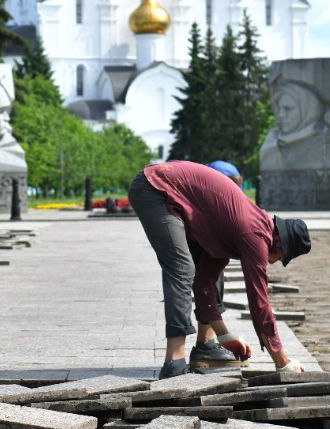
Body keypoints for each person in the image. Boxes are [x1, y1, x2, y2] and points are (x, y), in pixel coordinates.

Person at [129, 159, 312, 378]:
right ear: (279, 243)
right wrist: (283, 362)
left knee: (195, 272)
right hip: (155, 187)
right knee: (181, 268)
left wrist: (224, 336)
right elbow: (259, 304)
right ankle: (174, 364)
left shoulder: (236, 232)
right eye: (280, 257)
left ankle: (201, 349)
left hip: (166, 189)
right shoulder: (255, 234)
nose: (272, 262)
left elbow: (204, 282)